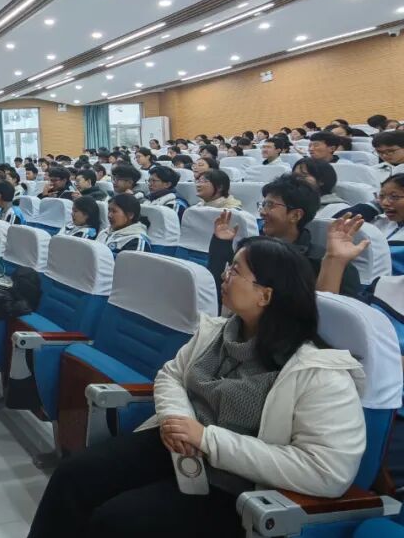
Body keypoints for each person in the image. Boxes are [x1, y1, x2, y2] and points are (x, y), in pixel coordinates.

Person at [28, 236, 365, 538]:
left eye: (235, 271)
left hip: (237, 483)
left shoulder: (317, 372)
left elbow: (327, 471)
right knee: (73, 476)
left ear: (266, 294)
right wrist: (179, 420)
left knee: (116, 521)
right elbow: (171, 375)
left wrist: (206, 439)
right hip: (178, 447)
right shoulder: (217, 331)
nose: (224, 275)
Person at [209, 174, 361, 298]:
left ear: (295, 215)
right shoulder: (251, 249)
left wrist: (334, 262)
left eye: (270, 205)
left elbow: (333, 319)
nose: (262, 212)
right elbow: (221, 291)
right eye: (263, 205)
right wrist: (221, 244)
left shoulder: (322, 263)